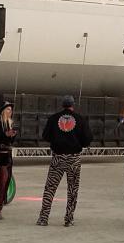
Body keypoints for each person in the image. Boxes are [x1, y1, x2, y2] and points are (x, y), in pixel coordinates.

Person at [37, 95, 92, 227]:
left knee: (50, 188)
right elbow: (87, 139)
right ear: (73, 105)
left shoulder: (54, 118)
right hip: (73, 158)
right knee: (72, 189)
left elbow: (45, 136)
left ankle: (43, 218)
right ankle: (68, 219)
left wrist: (58, 140)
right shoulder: (80, 119)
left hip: (58, 157)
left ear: (62, 105)